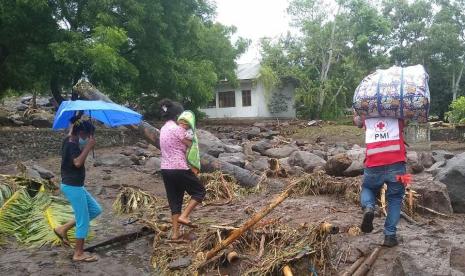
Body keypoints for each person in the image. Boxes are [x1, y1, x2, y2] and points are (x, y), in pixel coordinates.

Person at [354, 114, 407, 247]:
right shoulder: (399, 109)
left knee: (367, 188)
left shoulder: (367, 112)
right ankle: (390, 236)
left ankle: (369, 207)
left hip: (373, 162)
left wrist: (356, 113)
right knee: (395, 198)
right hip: (397, 163)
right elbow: (409, 119)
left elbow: (358, 122)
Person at [53, 116, 102, 262]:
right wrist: (88, 146)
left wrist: (77, 119)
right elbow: (78, 162)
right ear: (80, 132)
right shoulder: (71, 144)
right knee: (83, 220)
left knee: (95, 210)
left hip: (75, 185)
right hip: (72, 186)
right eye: (87, 135)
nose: (87, 138)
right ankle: (78, 253)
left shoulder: (71, 139)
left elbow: (72, 129)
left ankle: (63, 228)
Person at [159, 99, 206, 240]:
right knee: (200, 191)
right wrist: (191, 132)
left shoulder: (163, 129)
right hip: (179, 167)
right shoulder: (179, 129)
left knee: (175, 201)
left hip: (165, 169)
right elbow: (191, 145)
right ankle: (185, 216)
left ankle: (175, 234)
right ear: (178, 116)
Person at [177, 110, 201, 175]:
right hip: (184, 154)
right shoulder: (183, 130)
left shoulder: (190, 132)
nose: (181, 126)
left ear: (189, 125)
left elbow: (190, 138)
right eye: (180, 123)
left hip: (191, 152)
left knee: (192, 166)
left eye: (183, 124)